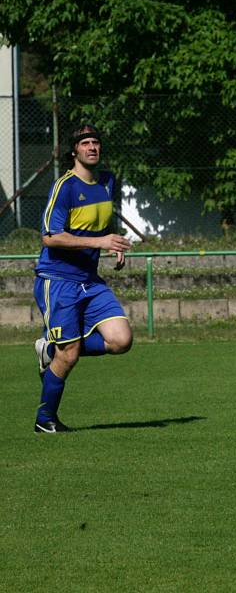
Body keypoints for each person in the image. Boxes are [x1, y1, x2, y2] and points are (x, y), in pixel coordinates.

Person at [33, 124, 133, 433]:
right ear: (74, 150)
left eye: (96, 143)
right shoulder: (64, 186)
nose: (92, 147)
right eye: (85, 143)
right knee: (71, 353)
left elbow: (99, 224)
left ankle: (52, 348)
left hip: (89, 280)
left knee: (121, 340)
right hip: (58, 279)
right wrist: (100, 243)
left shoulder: (107, 182)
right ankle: (45, 420)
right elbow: (50, 238)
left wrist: (113, 244)